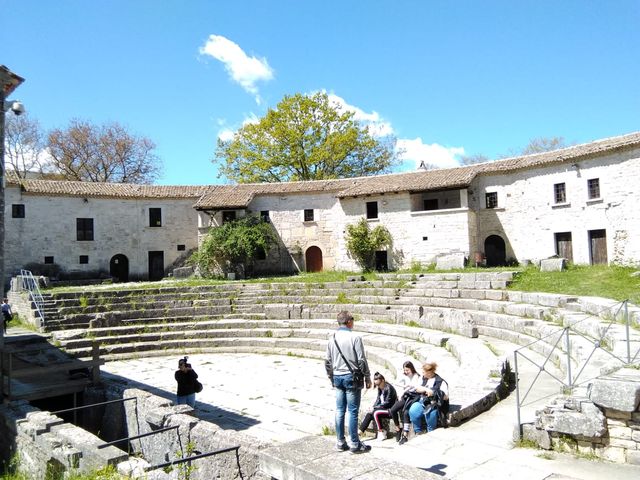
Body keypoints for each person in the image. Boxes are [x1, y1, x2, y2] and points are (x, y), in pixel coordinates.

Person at [325, 310, 372, 454]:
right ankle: (354, 444)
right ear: (349, 321)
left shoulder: (332, 338)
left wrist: (331, 377)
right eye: (353, 320)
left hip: (338, 377)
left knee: (340, 410)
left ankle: (340, 442)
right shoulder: (355, 337)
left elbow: (327, 362)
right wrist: (367, 377)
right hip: (352, 378)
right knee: (352, 411)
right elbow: (361, 360)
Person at [400, 362, 449, 444]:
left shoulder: (441, 381)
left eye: (423, 372)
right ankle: (418, 431)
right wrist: (425, 390)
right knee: (413, 411)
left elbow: (446, 396)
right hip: (422, 401)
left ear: (429, 372)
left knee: (430, 414)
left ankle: (431, 433)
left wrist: (434, 393)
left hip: (434, 404)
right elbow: (417, 388)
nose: (422, 374)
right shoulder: (423, 378)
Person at [388, 361, 422, 441]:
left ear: (411, 369)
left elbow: (412, 387)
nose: (406, 372)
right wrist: (400, 393)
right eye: (405, 370)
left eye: (407, 370)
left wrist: (403, 391)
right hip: (405, 395)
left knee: (406, 412)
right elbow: (398, 384)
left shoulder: (416, 376)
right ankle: (398, 429)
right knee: (393, 410)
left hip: (413, 396)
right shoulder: (404, 375)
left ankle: (405, 434)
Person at [358, 372, 398, 441]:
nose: (378, 386)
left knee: (375, 413)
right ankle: (360, 432)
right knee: (369, 414)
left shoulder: (389, 388)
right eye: (376, 385)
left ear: (383, 380)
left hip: (390, 410)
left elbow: (387, 403)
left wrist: (375, 408)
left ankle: (382, 432)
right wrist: (373, 407)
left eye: (378, 384)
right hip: (382, 409)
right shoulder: (380, 388)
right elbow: (378, 400)